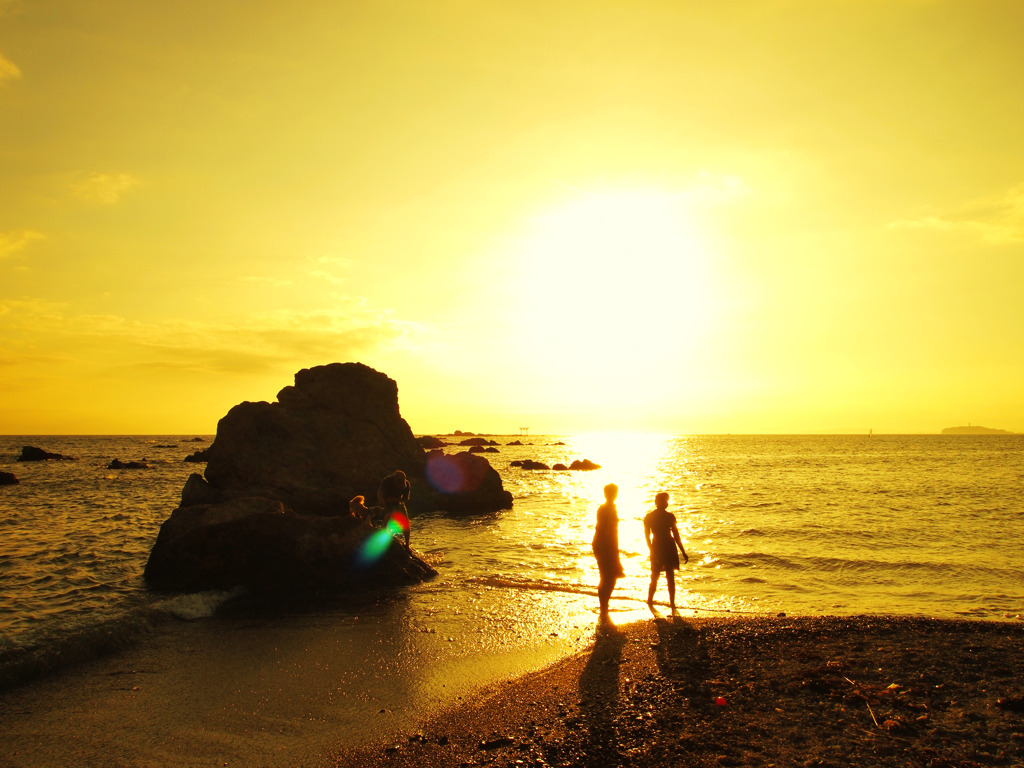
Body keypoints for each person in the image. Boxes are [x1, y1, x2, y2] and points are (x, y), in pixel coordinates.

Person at [644, 491, 688, 610]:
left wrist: (683, 551)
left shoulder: (654, 517)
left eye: (666, 500)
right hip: (664, 546)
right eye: (664, 500)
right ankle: (660, 602)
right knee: (663, 576)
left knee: (660, 575)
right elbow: (676, 535)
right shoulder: (665, 516)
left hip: (662, 546)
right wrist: (652, 550)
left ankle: (656, 601)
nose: (666, 503)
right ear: (658, 502)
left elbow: (676, 535)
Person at [592, 483, 625, 617]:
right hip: (604, 545)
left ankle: (604, 606)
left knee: (610, 576)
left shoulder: (611, 508)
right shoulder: (605, 509)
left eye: (614, 493)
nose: (613, 495)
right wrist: (612, 550)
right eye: (611, 493)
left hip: (607, 545)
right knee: (607, 577)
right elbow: (604, 530)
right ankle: (603, 607)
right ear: (607, 494)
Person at [377, 469, 411, 546]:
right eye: (398, 483)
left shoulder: (407, 484)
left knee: (406, 522)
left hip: (397, 499)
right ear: (394, 480)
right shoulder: (386, 481)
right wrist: (387, 500)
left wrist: (396, 500)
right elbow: (384, 496)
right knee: (389, 513)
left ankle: (407, 544)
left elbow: (406, 499)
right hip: (384, 496)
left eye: (402, 483)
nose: (400, 485)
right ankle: (384, 531)